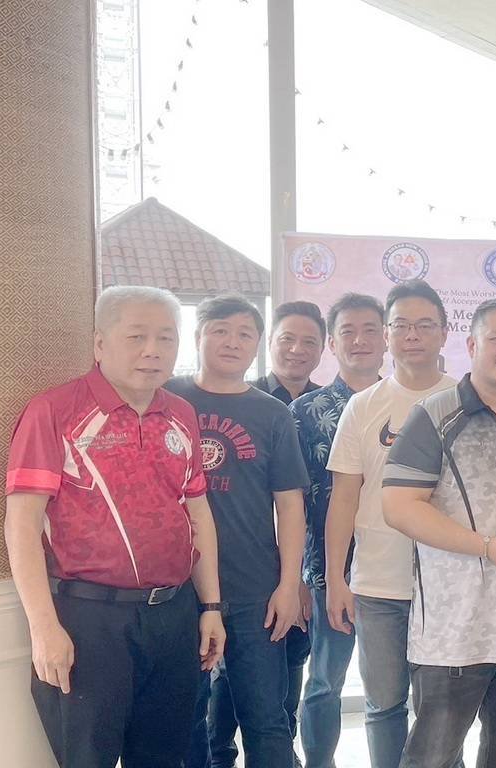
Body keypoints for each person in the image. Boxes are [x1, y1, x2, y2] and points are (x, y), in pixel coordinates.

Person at [4, 286, 225, 768]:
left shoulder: (181, 414)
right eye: (137, 336)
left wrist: (210, 606)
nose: (153, 350)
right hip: (88, 619)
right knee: (88, 758)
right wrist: (44, 628)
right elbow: (21, 524)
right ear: (100, 343)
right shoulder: (54, 411)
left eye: (166, 338)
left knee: (165, 756)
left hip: (173, 614)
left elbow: (198, 513)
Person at [382, 298, 496, 768]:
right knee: (431, 759)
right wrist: (485, 547)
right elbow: (399, 507)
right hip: (453, 630)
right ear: (471, 345)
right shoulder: (433, 415)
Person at [168, 294, 308, 768]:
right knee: (184, 718)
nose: (232, 342)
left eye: (245, 334)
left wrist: (288, 585)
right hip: (178, 589)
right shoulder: (167, 399)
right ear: (198, 336)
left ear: (257, 344)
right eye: (220, 330)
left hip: (255, 589)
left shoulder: (272, 413)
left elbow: (290, 504)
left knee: (266, 718)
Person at [323, 281, 459, 768]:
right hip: (378, 585)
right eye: (401, 325)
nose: (412, 335)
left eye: (424, 325)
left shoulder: (466, 401)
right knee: (383, 705)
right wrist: (336, 579)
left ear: (445, 332)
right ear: (387, 334)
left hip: (451, 584)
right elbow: (344, 498)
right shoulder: (363, 405)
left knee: (442, 711)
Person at [289, 293, 387, 768]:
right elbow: (291, 504)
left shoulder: (412, 406)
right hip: (329, 573)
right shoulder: (304, 411)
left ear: (386, 338)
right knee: (325, 681)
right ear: (332, 342)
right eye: (348, 331)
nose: (360, 340)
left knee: (395, 687)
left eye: (370, 330)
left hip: (399, 573)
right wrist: (299, 578)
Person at [240, 299, 325, 763]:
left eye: (309, 341)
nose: (297, 349)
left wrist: (303, 577)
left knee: (291, 663)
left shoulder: (326, 409)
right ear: (269, 343)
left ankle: (284, 754)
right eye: (287, 339)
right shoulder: (242, 400)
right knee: (230, 679)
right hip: (248, 566)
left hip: (307, 566)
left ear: (322, 349)